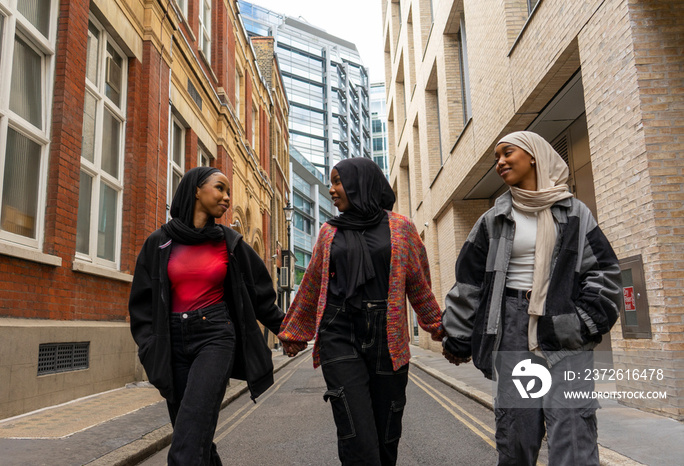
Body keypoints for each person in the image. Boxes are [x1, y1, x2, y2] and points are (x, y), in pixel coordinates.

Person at [442, 131, 623, 465]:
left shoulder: (575, 213)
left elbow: (604, 272)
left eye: (507, 153)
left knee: (573, 430)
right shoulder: (492, 220)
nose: (500, 162)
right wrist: (458, 336)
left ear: (534, 155)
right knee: (516, 432)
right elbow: (468, 282)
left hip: (565, 327)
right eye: (496, 157)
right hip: (510, 326)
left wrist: (580, 322)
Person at [278, 157, 445, 466]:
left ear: (360, 184)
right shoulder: (329, 232)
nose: (331, 189)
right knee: (357, 437)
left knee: (386, 437)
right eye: (331, 182)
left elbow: (419, 285)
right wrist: (294, 332)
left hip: (388, 340)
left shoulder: (402, 228)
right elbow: (312, 284)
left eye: (337, 181)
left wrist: (439, 326)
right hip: (339, 333)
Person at [129, 166, 284, 466]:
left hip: (215, 337)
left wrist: (286, 330)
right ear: (196, 190)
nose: (227, 197)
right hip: (171, 344)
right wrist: (149, 348)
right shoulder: (159, 242)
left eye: (228, 192)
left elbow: (260, 293)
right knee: (195, 439)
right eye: (220, 188)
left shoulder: (229, 242)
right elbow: (141, 304)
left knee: (185, 449)